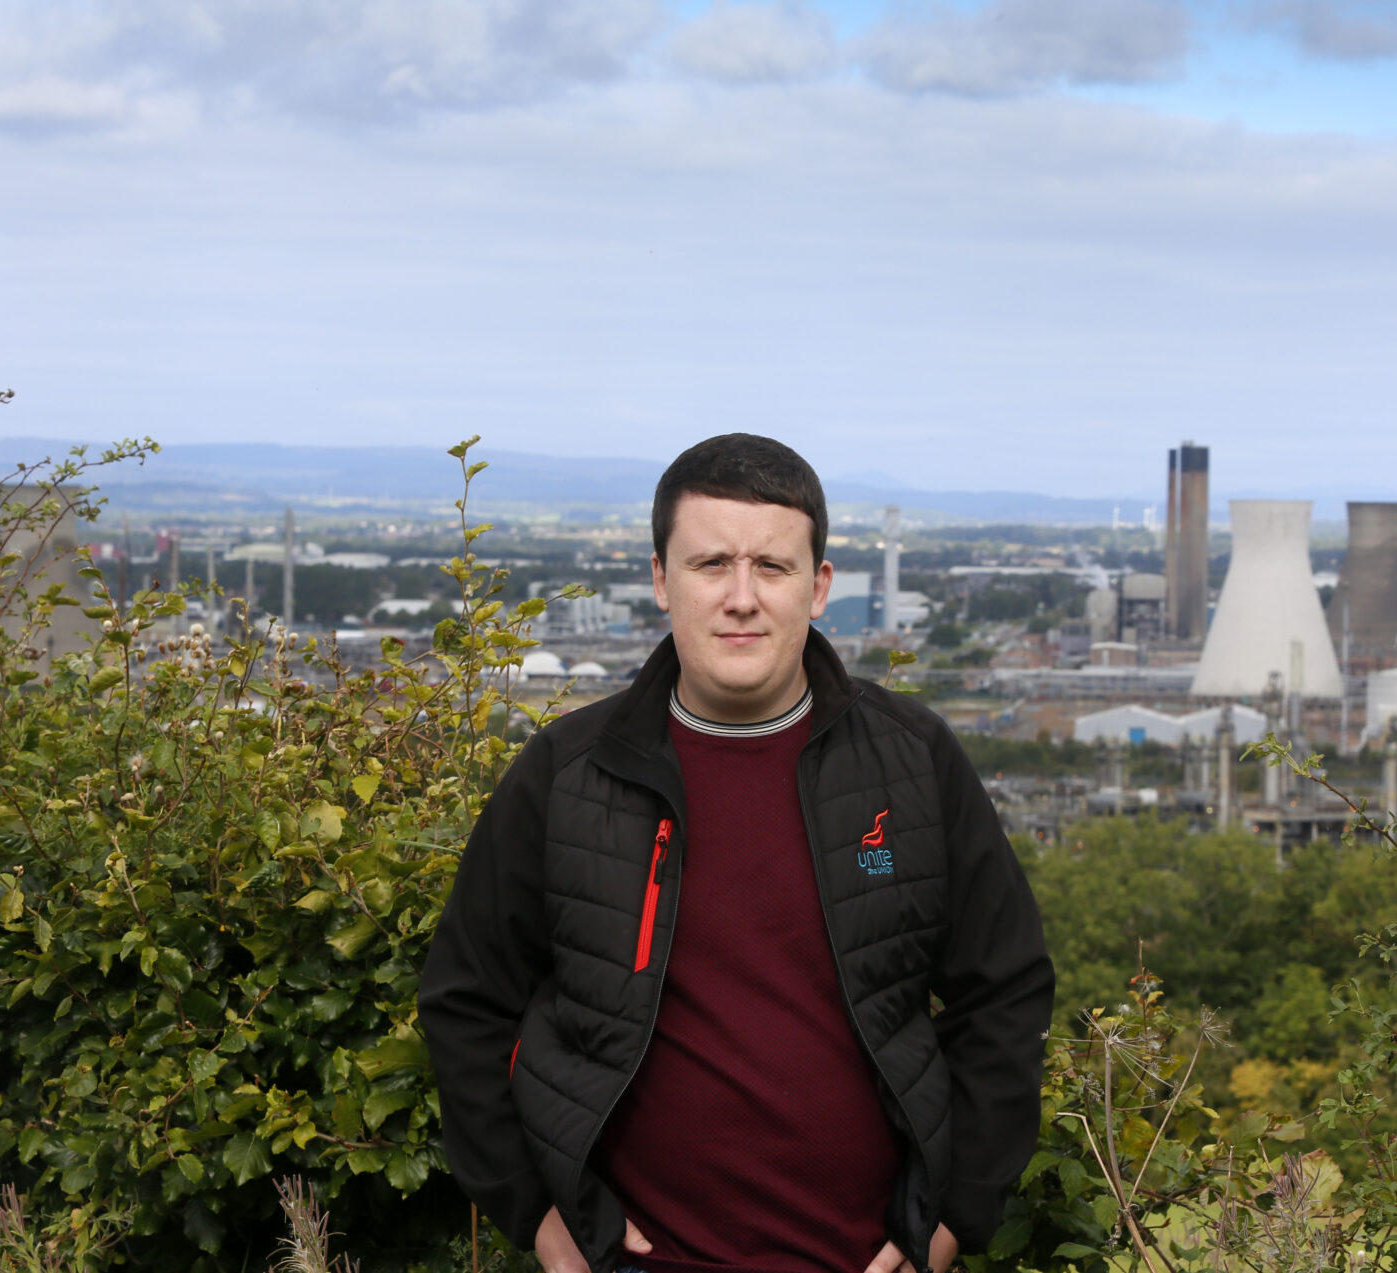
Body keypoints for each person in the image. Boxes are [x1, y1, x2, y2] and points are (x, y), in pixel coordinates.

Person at [418, 434, 1053, 1273]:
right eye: (711, 563)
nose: (742, 597)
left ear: (820, 587)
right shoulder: (568, 775)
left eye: (774, 567)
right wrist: (540, 1219)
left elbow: (1004, 995)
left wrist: (941, 1228)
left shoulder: (913, 762)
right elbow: (465, 1001)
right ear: (659, 579)